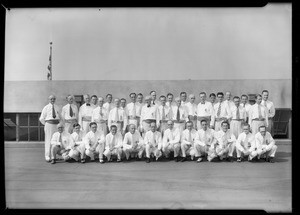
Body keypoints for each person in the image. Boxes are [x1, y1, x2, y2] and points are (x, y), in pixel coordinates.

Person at [39, 95, 62, 162]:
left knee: (56, 139)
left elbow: (60, 117)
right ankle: (47, 156)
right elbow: (41, 118)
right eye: (51, 99)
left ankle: (55, 155)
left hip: (56, 125)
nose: (52, 100)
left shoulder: (57, 107)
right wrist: (46, 124)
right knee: (49, 140)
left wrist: (59, 124)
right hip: (49, 125)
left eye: (54, 99)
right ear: (49, 100)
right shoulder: (46, 108)